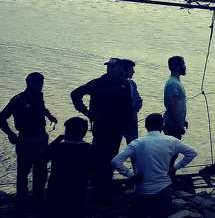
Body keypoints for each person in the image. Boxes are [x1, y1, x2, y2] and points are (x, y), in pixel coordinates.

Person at [112, 113, 198, 218]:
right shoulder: (171, 141)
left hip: (142, 191)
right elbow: (192, 153)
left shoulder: (136, 143)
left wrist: (131, 175)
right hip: (163, 191)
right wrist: (175, 168)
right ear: (162, 126)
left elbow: (116, 161)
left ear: (146, 126)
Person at [71, 59, 132, 196]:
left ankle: (104, 187)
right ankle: (97, 188)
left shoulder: (124, 84)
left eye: (112, 67)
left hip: (117, 129)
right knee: (99, 157)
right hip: (101, 127)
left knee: (112, 157)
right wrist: (86, 112)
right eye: (108, 66)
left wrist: (127, 124)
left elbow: (127, 108)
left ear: (119, 69)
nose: (109, 69)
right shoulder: (97, 83)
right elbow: (75, 94)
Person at [1, 72, 57, 204]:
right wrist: (10, 133)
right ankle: (22, 199)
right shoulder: (18, 99)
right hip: (25, 139)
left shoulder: (38, 96)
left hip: (41, 138)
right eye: (39, 83)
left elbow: (42, 108)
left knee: (41, 171)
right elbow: (1, 117)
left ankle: (37, 197)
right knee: (24, 172)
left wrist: (49, 116)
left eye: (42, 83)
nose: (41, 86)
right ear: (30, 83)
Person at [42, 116, 93, 217]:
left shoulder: (58, 147)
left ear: (67, 131)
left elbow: (42, 158)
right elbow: (92, 170)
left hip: (56, 191)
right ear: (83, 133)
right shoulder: (88, 149)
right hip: (78, 191)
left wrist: (56, 140)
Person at [162, 56, 187, 140]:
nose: (185, 66)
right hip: (172, 126)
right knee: (172, 152)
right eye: (183, 64)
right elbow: (172, 106)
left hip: (175, 124)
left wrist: (183, 121)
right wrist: (179, 125)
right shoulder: (173, 84)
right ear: (177, 67)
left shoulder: (176, 82)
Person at [121, 59, 142, 143]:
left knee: (134, 145)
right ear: (124, 70)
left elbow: (139, 100)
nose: (133, 72)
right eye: (131, 69)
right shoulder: (116, 85)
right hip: (120, 120)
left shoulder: (132, 84)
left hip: (132, 121)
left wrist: (135, 110)